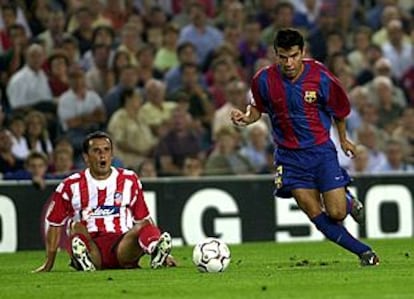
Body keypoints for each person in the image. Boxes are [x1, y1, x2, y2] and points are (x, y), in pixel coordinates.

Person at [230, 28, 379, 266]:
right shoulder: (263, 80)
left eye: (293, 56)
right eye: (282, 57)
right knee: (313, 211)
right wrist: (247, 118)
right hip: (289, 157)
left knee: (337, 212)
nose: (288, 63)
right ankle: (364, 253)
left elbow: (338, 110)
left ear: (303, 53)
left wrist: (343, 139)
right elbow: (257, 107)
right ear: (275, 55)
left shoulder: (321, 76)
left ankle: (349, 202)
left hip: (320, 151)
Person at [34, 131, 175, 272]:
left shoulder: (129, 179)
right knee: (76, 227)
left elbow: (143, 219)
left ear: (112, 155)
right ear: (86, 157)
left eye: (106, 150)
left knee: (143, 223)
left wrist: (163, 252)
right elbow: (54, 223)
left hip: (122, 247)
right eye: (96, 151)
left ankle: (156, 251)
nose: (102, 155)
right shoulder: (70, 185)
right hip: (92, 244)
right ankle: (84, 257)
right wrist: (49, 263)